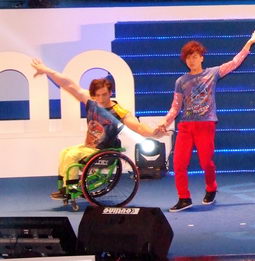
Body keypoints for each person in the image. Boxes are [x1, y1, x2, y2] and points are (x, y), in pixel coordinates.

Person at [31, 58, 162, 200]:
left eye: (104, 94)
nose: (101, 98)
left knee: (71, 155)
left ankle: (72, 189)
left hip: (103, 151)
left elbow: (138, 127)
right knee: (65, 152)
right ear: (94, 95)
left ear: (110, 92)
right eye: (98, 95)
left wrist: (154, 133)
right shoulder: (91, 101)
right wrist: (46, 70)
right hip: (89, 148)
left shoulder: (118, 112)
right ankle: (64, 188)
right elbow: (68, 84)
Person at [158, 30, 255, 212]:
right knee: (179, 163)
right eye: (188, 58)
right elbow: (175, 106)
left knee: (206, 162)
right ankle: (184, 198)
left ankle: (211, 188)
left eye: (194, 57)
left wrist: (248, 44)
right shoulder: (181, 81)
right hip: (186, 126)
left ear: (201, 58)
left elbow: (234, 63)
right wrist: (165, 122)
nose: (191, 61)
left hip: (206, 124)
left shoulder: (212, 73)